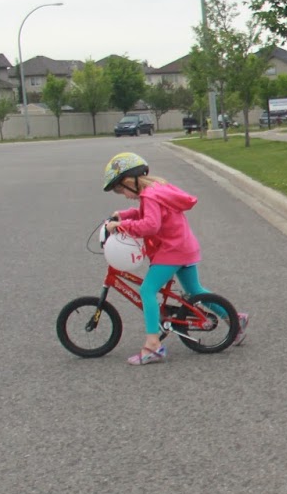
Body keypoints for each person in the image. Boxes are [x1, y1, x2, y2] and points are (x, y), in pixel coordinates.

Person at [102, 153, 248, 364]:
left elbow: (151, 225)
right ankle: (235, 318)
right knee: (194, 291)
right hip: (184, 246)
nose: (124, 194)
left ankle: (153, 346)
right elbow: (148, 214)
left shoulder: (148, 196)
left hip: (172, 251)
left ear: (130, 181)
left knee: (147, 290)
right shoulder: (157, 190)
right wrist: (124, 215)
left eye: (121, 189)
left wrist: (121, 227)